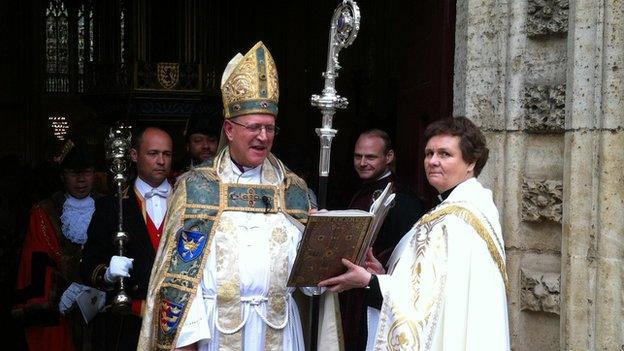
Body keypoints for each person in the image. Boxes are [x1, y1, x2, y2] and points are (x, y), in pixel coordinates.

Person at [138, 41, 333, 351]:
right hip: (217, 332)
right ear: (229, 129)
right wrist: (184, 341)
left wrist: (322, 245)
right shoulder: (198, 187)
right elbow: (179, 279)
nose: (263, 137)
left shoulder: (292, 190)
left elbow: (311, 286)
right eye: (254, 127)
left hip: (279, 333)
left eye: (270, 128)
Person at [320, 117, 510, 350]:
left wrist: (369, 282)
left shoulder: (460, 221)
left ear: (471, 162)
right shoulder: (458, 209)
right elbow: (432, 288)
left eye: (444, 154)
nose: (433, 161)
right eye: (429, 153)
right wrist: (384, 274)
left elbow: (431, 308)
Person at [80, 126, 173, 351]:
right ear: (133, 155)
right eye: (153, 153)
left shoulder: (189, 200)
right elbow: (88, 265)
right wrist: (108, 275)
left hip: (179, 321)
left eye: (166, 154)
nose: (161, 160)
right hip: (129, 322)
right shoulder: (111, 206)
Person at [341, 129, 426, 350]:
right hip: (352, 292)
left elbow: (410, 253)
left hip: (376, 293)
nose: (362, 162)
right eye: (358, 156)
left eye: (370, 157)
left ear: (388, 157)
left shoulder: (403, 199)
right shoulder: (360, 190)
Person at [13, 139, 99, 351]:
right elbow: (37, 261)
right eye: (73, 172)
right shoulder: (45, 211)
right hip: (62, 309)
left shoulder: (110, 206)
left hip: (102, 308)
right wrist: (65, 290)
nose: (81, 179)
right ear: (62, 176)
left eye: (86, 172)